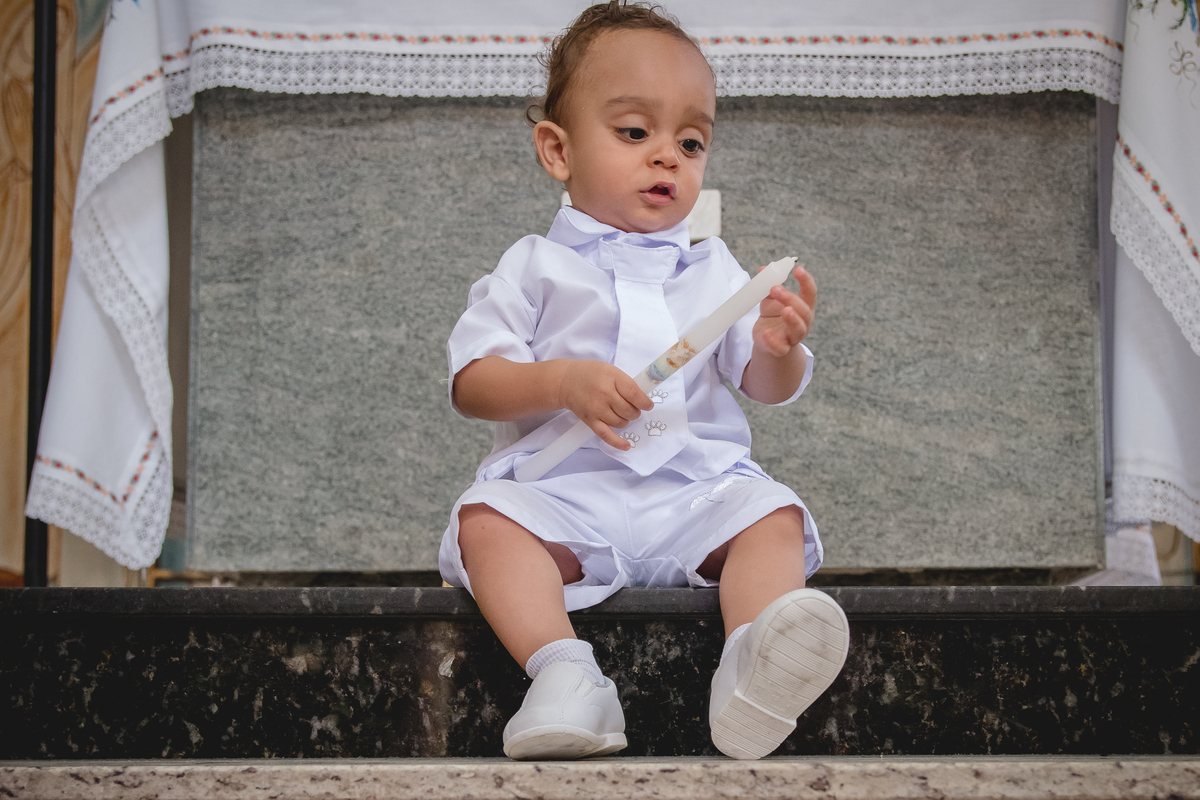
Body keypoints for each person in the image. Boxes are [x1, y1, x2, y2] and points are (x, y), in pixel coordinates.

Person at [438, 0, 849, 760]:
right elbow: (473, 382)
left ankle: (751, 663)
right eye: (635, 132)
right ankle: (565, 674)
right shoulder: (533, 266)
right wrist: (560, 381)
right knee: (486, 521)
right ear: (557, 150)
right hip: (566, 497)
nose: (668, 156)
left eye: (691, 141)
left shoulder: (716, 271)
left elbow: (764, 384)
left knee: (773, 515)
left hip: (694, 494)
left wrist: (778, 346)